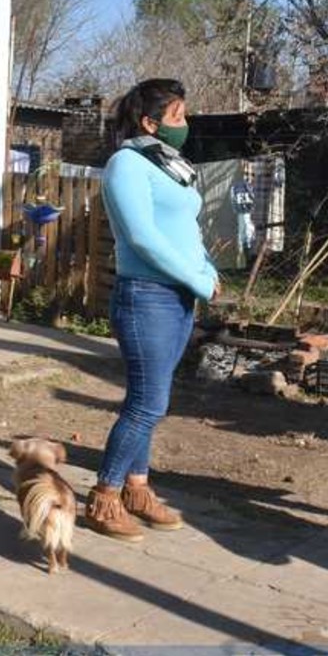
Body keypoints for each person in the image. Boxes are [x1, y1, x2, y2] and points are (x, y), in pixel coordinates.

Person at [90, 78, 217, 541]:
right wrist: (197, 278)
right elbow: (142, 237)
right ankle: (104, 496)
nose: (186, 124)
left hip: (177, 297)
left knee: (150, 400)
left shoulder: (169, 165)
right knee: (148, 403)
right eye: (178, 116)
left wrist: (206, 268)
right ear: (150, 122)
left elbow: (185, 228)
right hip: (146, 296)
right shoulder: (127, 164)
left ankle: (136, 489)